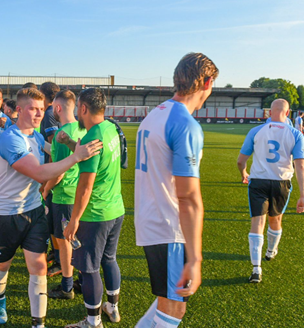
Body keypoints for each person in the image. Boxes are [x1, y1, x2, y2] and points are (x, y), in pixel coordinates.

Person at [0, 88, 102, 327]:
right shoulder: (11, 138)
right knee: (2, 265)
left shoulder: (38, 137)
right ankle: (0, 298)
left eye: (42, 109)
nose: (39, 114)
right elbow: (40, 173)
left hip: (34, 211)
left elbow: (54, 153)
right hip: (7, 214)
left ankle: (38, 324)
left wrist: (69, 143)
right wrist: (75, 157)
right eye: (33, 108)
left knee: (39, 269)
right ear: (19, 110)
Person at [134, 53, 218, 328]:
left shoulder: (155, 115)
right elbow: (188, 197)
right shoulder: (185, 124)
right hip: (168, 226)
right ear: (207, 82)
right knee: (173, 310)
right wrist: (195, 258)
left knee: (165, 302)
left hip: (151, 221)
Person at [62, 88, 125, 328]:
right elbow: (89, 159)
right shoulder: (110, 128)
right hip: (115, 209)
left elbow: (86, 186)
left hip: (95, 214)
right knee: (109, 258)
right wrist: (70, 143)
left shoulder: (91, 137)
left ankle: (93, 321)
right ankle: (113, 307)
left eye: (78, 106)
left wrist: (74, 219)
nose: (77, 111)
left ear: (84, 108)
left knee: (88, 268)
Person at [237, 98, 304, 283]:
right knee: (276, 220)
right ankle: (270, 251)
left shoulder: (256, 131)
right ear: (288, 113)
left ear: (268, 113)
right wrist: (303, 195)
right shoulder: (296, 134)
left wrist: (244, 173)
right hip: (281, 183)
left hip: (258, 181)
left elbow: (240, 161)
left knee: (257, 223)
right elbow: (300, 166)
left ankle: (256, 269)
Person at [41, 90, 86, 300]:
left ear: (58, 108)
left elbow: (58, 173)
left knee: (64, 241)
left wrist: (45, 190)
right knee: (77, 239)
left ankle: (67, 286)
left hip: (64, 195)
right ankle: (83, 280)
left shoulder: (61, 135)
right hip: (80, 192)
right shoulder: (83, 128)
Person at [39, 81, 62, 276]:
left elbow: (53, 145)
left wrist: (48, 177)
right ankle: (58, 255)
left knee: (52, 219)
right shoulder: (59, 111)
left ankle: (59, 258)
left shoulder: (49, 113)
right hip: (63, 171)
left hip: (55, 174)